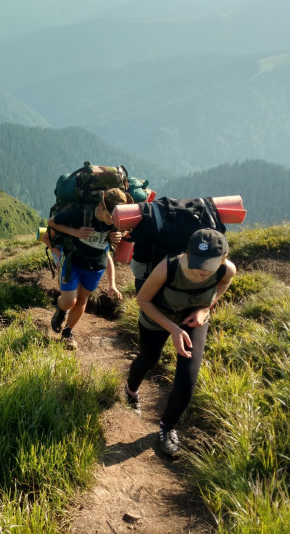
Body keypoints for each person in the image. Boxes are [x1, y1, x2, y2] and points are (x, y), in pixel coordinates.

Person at [124, 229, 236, 457]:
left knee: (187, 380)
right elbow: (143, 300)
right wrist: (173, 329)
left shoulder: (226, 269)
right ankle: (130, 391)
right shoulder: (169, 267)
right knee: (149, 359)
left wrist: (205, 308)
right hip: (158, 316)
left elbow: (224, 283)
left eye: (211, 264)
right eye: (198, 262)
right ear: (188, 253)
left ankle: (167, 427)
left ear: (223, 258)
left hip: (194, 319)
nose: (203, 270)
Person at [47, 188, 129, 349]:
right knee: (69, 300)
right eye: (109, 216)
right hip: (72, 261)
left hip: (95, 267)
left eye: (116, 218)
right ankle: (61, 309)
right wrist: (75, 232)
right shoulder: (83, 213)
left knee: (83, 299)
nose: (112, 221)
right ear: (100, 206)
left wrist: (120, 234)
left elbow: (126, 231)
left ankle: (67, 333)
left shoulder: (117, 222)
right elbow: (52, 221)